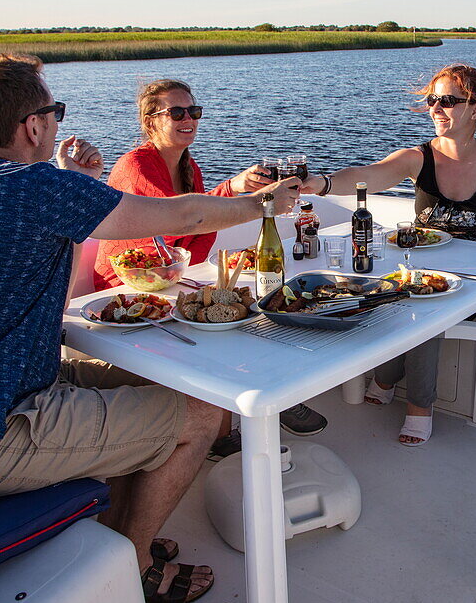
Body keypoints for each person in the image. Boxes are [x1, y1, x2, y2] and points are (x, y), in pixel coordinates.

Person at [0, 53, 300, 603]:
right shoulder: (35, 188)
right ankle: (133, 568)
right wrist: (261, 204)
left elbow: (39, 255)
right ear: (34, 125)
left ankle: (114, 539)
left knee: (150, 379)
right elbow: (183, 218)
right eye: (54, 111)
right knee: (204, 416)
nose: (58, 123)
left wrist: (72, 181)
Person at [92, 79, 328, 448]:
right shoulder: (138, 165)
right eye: (177, 112)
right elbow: (182, 217)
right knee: (223, 319)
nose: (189, 119)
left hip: (173, 275)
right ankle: (222, 435)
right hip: (131, 285)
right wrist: (261, 201)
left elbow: (196, 205)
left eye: (194, 111)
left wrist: (236, 185)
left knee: (250, 305)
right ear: (151, 120)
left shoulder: (188, 164)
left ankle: (270, 400)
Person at [301, 64, 476, 445]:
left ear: (475, 109)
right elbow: (370, 175)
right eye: (432, 100)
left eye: (448, 101)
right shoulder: (418, 157)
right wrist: (322, 183)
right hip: (422, 268)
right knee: (385, 296)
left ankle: (418, 407)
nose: (436, 109)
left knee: (424, 315)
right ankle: (387, 378)